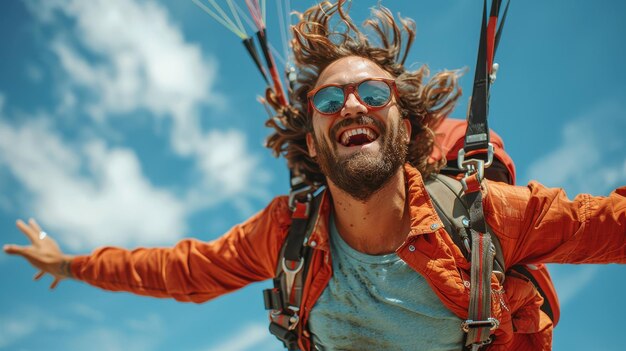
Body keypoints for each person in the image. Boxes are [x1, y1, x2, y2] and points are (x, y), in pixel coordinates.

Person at [4, 2, 626, 351]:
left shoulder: (486, 216)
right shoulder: (286, 237)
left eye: (372, 94)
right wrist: (70, 265)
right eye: (330, 102)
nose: (351, 106)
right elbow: (176, 271)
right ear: (313, 139)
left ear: (405, 129)